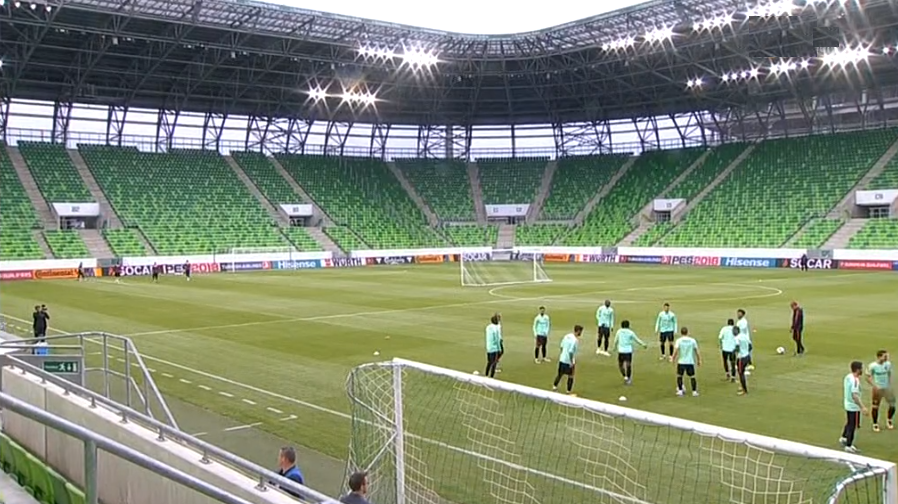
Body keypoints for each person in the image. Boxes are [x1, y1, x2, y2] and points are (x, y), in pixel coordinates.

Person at [840, 361, 867, 453]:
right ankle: (849, 445)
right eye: (862, 368)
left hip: (847, 403)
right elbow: (854, 395)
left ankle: (843, 437)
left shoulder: (848, 377)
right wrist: (862, 407)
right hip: (853, 406)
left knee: (849, 421)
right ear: (858, 369)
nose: (862, 370)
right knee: (853, 425)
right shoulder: (855, 380)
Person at [866, 350, 894, 432]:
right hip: (878, 389)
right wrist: (874, 386)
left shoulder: (888, 364)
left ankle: (889, 420)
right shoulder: (872, 366)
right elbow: (868, 377)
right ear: (879, 357)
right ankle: (875, 424)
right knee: (875, 406)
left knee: (893, 404)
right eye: (885, 356)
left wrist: (890, 384)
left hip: (887, 388)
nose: (887, 358)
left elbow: (889, 374)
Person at [613, 320, 647, 385]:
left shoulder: (619, 332)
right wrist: (643, 344)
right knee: (628, 365)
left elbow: (615, 340)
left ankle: (624, 376)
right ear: (628, 325)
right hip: (628, 351)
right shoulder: (630, 332)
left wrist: (614, 348)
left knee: (620, 365)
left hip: (621, 351)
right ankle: (628, 378)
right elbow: (637, 340)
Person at [552, 325, 582, 396]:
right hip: (568, 361)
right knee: (571, 376)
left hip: (562, 358)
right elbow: (571, 352)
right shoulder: (575, 340)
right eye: (580, 332)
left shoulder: (567, 336)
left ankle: (554, 387)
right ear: (578, 331)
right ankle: (568, 392)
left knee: (560, 374)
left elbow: (561, 346)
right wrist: (571, 361)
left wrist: (563, 354)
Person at [672, 327, 702, 397]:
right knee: (692, 377)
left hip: (681, 361)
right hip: (690, 362)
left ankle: (680, 391)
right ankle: (694, 391)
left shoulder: (679, 340)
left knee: (679, 376)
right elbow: (696, 351)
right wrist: (699, 360)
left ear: (681, 333)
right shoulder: (692, 340)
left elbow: (676, 350)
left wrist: (673, 358)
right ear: (687, 332)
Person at [734, 326, 750, 395]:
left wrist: (735, 352)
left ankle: (744, 390)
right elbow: (750, 346)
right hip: (747, 356)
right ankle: (742, 386)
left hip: (741, 358)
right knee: (742, 372)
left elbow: (737, 348)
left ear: (736, 331)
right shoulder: (745, 336)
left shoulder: (737, 338)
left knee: (741, 373)